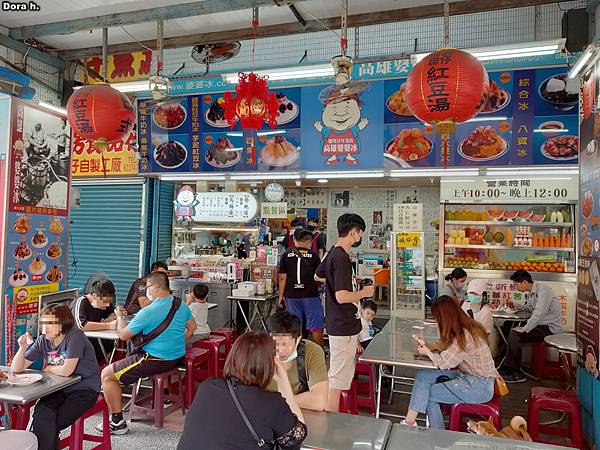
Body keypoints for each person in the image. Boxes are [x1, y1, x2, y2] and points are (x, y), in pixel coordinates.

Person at [99, 271, 196, 435]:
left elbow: (123, 335)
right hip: (176, 358)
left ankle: (117, 422)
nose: (146, 291)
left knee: (106, 374)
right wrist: (175, 341)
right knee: (119, 370)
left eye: (148, 287)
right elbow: (192, 328)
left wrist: (119, 318)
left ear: (156, 287)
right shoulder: (181, 304)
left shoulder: (148, 311)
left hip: (154, 360)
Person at [177, 331, 307, 450]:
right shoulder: (271, 403)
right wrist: (283, 379)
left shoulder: (208, 386)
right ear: (269, 365)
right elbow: (297, 436)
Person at [11, 304, 100, 450]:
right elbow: (16, 368)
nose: (45, 328)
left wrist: (50, 368)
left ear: (63, 323)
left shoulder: (75, 336)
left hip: (85, 389)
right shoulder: (43, 340)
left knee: (49, 423)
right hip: (57, 389)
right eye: (43, 323)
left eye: (50, 324)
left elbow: (67, 370)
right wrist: (22, 347)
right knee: (41, 413)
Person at [402, 295, 498, 429]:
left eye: (437, 318)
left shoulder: (464, 336)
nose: (437, 321)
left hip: (479, 386)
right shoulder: (465, 326)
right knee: (422, 376)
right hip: (469, 377)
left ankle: (439, 434)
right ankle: (409, 422)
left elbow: (443, 364)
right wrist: (428, 345)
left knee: (430, 395)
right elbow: (447, 347)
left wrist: (427, 352)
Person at [315, 213, 374, 412]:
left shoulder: (333, 252)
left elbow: (318, 275)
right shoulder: (341, 257)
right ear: (353, 232)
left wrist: (346, 282)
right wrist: (364, 292)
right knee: (337, 379)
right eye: (360, 233)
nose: (360, 238)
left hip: (339, 324)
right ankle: (330, 419)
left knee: (338, 376)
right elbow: (341, 297)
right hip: (343, 326)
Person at [501, 269, 563, 383]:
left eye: (516, 284)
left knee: (515, 334)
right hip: (539, 325)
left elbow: (539, 314)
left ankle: (516, 373)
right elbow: (530, 308)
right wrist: (515, 305)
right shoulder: (531, 292)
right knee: (507, 326)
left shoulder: (543, 290)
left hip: (548, 328)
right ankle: (504, 366)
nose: (515, 287)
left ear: (524, 282)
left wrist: (524, 329)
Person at [267, 311, 328, 411]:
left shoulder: (311, 352)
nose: (280, 350)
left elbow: (319, 401)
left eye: (286, 344)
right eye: (276, 343)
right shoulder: (259, 352)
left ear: (298, 340)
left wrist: (279, 401)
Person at [278, 228, 325, 346]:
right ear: (309, 242)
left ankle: (297, 353)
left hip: (292, 296)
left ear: (295, 240)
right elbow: (318, 276)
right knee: (316, 326)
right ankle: (320, 352)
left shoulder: (286, 255)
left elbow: (282, 277)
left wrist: (281, 296)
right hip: (310, 295)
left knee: (295, 326)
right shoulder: (313, 255)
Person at [71, 279, 117, 363]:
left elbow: (112, 311)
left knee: (112, 344)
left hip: (94, 340)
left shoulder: (102, 303)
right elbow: (82, 325)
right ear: (95, 295)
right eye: (105, 302)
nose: (107, 305)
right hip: (78, 343)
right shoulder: (81, 302)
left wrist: (112, 316)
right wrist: (109, 325)